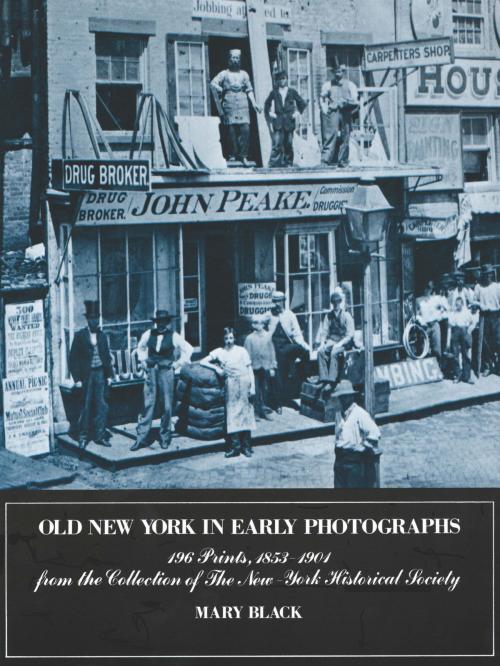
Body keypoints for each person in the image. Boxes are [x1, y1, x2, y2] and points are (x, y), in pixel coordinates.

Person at [131, 310, 193, 451]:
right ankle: (141, 438)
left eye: (163, 322)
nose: (160, 325)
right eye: (158, 322)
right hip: (151, 371)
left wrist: (177, 364)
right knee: (148, 404)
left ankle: (165, 437)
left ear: (167, 322)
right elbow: (140, 348)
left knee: (166, 406)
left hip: (166, 372)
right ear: (156, 322)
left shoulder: (174, 336)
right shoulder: (148, 334)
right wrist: (143, 361)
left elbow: (188, 349)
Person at [201, 327, 256, 458]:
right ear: (223, 339)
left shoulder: (242, 351)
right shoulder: (220, 352)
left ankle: (246, 446)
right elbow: (203, 361)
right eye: (226, 338)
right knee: (232, 415)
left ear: (234, 338)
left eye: (231, 338)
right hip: (230, 384)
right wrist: (217, 369)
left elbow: (250, 370)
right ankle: (234, 447)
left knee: (245, 415)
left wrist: (252, 387)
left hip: (244, 383)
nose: (229, 341)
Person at [69, 300, 114, 449]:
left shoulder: (102, 336)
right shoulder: (80, 336)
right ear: (88, 319)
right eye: (92, 318)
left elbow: (106, 357)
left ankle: (100, 435)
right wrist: (77, 379)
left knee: (102, 406)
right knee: (86, 406)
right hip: (86, 376)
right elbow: (73, 358)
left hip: (100, 373)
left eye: (96, 318)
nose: (94, 321)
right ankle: (83, 437)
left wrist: (109, 376)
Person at [210, 49, 262, 167]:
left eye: (237, 58)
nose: (235, 60)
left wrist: (254, 104)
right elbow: (213, 83)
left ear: (240, 60)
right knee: (231, 130)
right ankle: (232, 154)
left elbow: (249, 90)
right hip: (230, 104)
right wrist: (221, 90)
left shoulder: (244, 74)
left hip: (243, 104)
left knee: (245, 129)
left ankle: (243, 155)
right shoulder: (224, 73)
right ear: (229, 60)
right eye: (233, 58)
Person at [265, 291, 310, 412]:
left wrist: (304, 345)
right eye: (274, 301)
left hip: (286, 346)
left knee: (304, 351)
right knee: (278, 372)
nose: (276, 304)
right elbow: (262, 332)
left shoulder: (290, 315)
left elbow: (296, 334)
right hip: (273, 348)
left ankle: (306, 375)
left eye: (278, 301)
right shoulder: (269, 316)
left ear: (283, 301)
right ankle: (278, 403)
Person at [332, 380, 381, 488]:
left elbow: (375, 433)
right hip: (339, 458)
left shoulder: (360, 413)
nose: (342, 399)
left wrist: (362, 446)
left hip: (353, 460)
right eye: (340, 397)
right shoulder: (338, 413)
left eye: (345, 396)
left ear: (351, 397)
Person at [264, 69, 307, 168]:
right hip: (278, 121)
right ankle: (273, 164)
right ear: (277, 81)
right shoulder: (274, 92)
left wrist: (297, 113)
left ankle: (288, 163)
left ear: (287, 79)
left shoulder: (292, 92)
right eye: (280, 79)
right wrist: (271, 113)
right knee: (277, 143)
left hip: (289, 121)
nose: (282, 81)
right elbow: (267, 104)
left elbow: (302, 103)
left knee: (288, 143)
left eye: (284, 78)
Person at [320, 64, 359, 167]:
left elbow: (355, 100)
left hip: (345, 112)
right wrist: (325, 109)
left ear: (343, 72)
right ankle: (325, 159)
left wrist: (347, 102)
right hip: (333, 112)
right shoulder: (328, 85)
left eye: (340, 71)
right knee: (330, 135)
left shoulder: (350, 85)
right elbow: (322, 98)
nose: (338, 74)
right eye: (336, 72)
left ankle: (343, 160)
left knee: (345, 136)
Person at [316, 290, 355, 391]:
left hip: (345, 341)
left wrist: (340, 344)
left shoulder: (346, 316)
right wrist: (322, 343)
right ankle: (323, 378)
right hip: (332, 340)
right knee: (321, 352)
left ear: (340, 302)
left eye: (337, 302)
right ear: (332, 303)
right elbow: (324, 332)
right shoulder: (328, 316)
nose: (335, 304)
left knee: (334, 352)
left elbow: (350, 335)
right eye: (333, 302)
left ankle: (332, 381)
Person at [244, 315, 278, 420]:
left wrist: (273, 366)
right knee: (255, 390)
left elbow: (272, 351)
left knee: (265, 389)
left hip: (265, 366)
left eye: (259, 323)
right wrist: (247, 368)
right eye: (254, 323)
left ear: (263, 324)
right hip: (254, 368)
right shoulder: (249, 338)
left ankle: (264, 410)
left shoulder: (267, 336)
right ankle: (255, 411)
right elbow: (247, 354)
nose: (257, 325)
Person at [473, 264, 500, 376]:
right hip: (484, 316)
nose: (488, 276)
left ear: (492, 274)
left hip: (496, 315)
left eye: (490, 274)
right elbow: (474, 301)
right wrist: (480, 304)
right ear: (483, 275)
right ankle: (488, 365)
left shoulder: (497, 286)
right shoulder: (478, 287)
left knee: (498, 340)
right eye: (486, 274)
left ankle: (498, 366)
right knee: (485, 342)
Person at [446, 296, 475, 384]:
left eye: (459, 304)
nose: (458, 306)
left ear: (462, 304)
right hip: (455, 332)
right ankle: (457, 375)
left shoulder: (467, 312)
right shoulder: (452, 313)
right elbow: (449, 327)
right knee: (455, 355)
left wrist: (469, 330)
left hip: (464, 331)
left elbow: (473, 323)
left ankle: (467, 377)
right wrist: (448, 341)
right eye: (456, 304)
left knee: (466, 354)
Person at [416, 281, 445, 367]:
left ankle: (438, 368)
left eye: (430, 288)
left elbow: (444, 308)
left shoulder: (436, 299)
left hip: (435, 325)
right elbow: (416, 314)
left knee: (437, 348)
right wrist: (421, 321)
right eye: (427, 288)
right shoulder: (419, 300)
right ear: (423, 288)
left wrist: (439, 316)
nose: (428, 290)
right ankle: (426, 369)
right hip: (425, 327)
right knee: (425, 349)